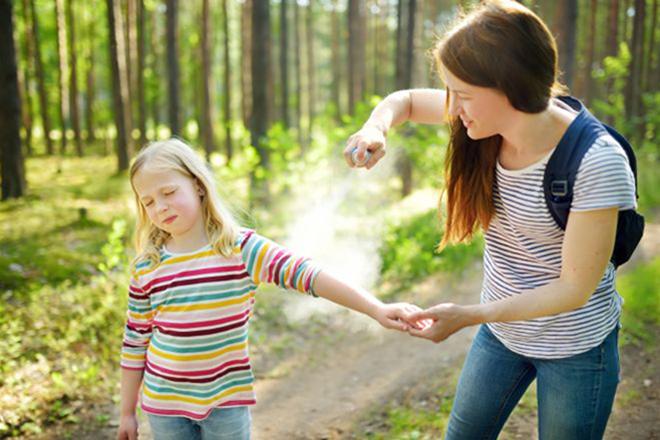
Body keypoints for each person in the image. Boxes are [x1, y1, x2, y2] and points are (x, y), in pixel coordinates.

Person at [345, 1, 637, 438]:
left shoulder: (596, 162)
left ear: (510, 87)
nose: (453, 107)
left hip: (575, 346)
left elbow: (574, 289)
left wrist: (470, 314)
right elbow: (403, 101)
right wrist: (375, 128)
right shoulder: (482, 121)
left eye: (462, 94)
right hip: (502, 336)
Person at [116, 138, 419, 440]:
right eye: (148, 201)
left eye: (168, 192)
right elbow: (135, 342)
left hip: (225, 404)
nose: (160, 207)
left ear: (197, 185)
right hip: (164, 407)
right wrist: (127, 413)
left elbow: (308, 275)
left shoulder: (240, 248)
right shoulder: (148, 266)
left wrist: (376, 308)